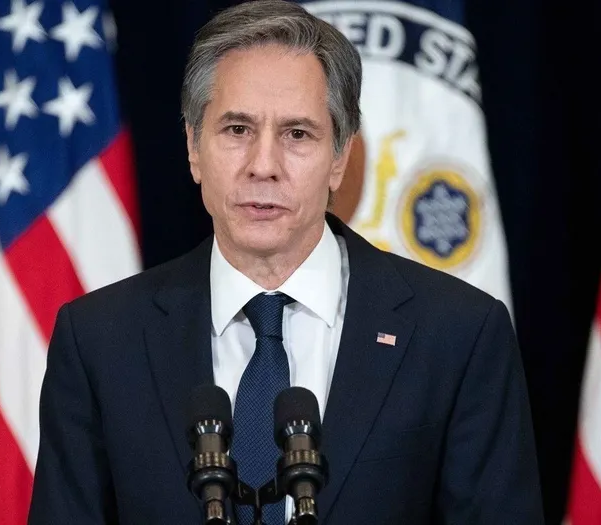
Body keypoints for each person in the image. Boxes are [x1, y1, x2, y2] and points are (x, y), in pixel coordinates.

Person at [27, 0, 544, 523]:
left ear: (340, 158)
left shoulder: (458, 334)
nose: (263, 166)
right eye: (237, 130)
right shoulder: (100, 341)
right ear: (193, 147)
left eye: (297, 134)